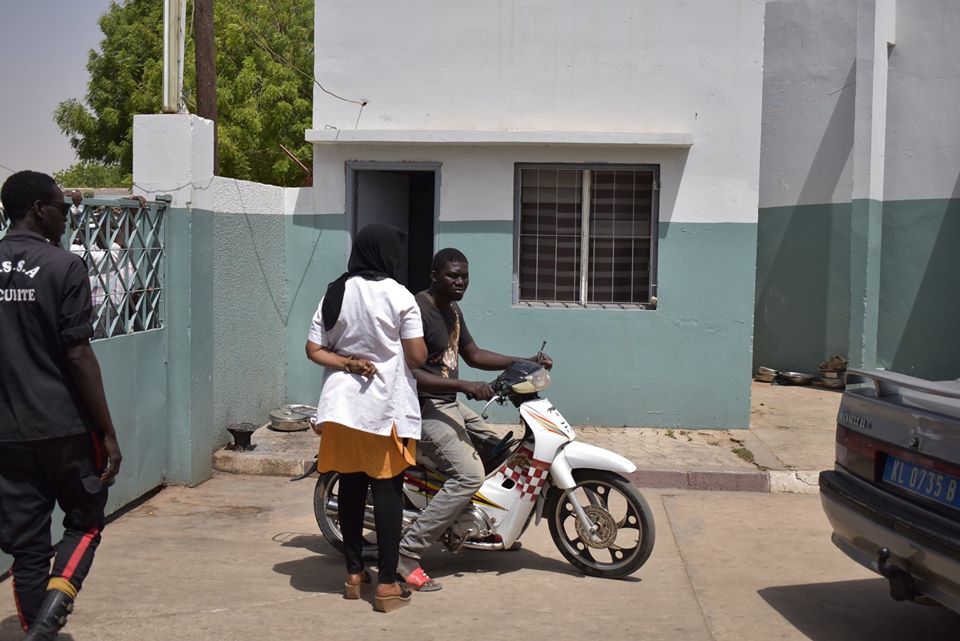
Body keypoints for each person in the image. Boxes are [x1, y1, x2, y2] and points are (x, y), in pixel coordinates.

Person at [0, 171, 123, 640]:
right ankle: (49, 620)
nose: (66, 218)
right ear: (38, 209)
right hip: (64, 427)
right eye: (63, 208)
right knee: (86, 522)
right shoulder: (64, 266)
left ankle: (38, 630)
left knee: (29, 550)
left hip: (7, 436)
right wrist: (107, 431)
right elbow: (78, 352)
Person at [397, 248, 552, 591]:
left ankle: (466, 522)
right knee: (469, 474)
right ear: (434, 274)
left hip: (449, 403)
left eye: (465, 276)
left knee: (500, 449)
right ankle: (407, 555)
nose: (460, 282)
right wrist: (464, 384)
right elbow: (415, 373)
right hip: (424, 408)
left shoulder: (452, 310)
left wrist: (524, 361)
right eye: (453, 275)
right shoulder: (417, 309)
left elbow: (474, 354)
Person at [305, 223, 427, 613]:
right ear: (387, 255)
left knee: (353, 489)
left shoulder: (336, 290)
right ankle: (388, 583)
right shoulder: (399, 295)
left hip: (342, 408)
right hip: (382, 409)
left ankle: (355, 573)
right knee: (387, 491)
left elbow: (313, 349)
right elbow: (417, 357)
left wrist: (348, 362)